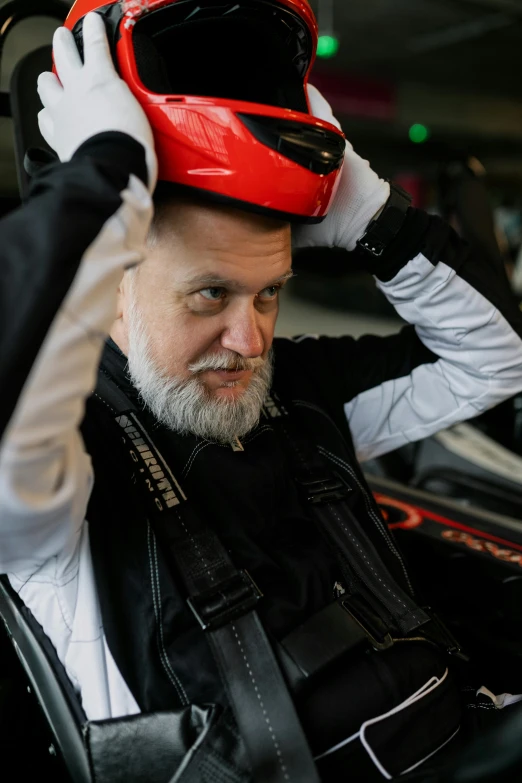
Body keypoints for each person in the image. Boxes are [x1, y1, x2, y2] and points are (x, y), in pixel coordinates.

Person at [2, 8, 522, 782]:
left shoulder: (295, 395)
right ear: (107, 284)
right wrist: (103, 173)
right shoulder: (58, 483)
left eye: (269, 293)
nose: (251, 342)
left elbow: (496, 357)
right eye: (210, 295)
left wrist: (375, 219)